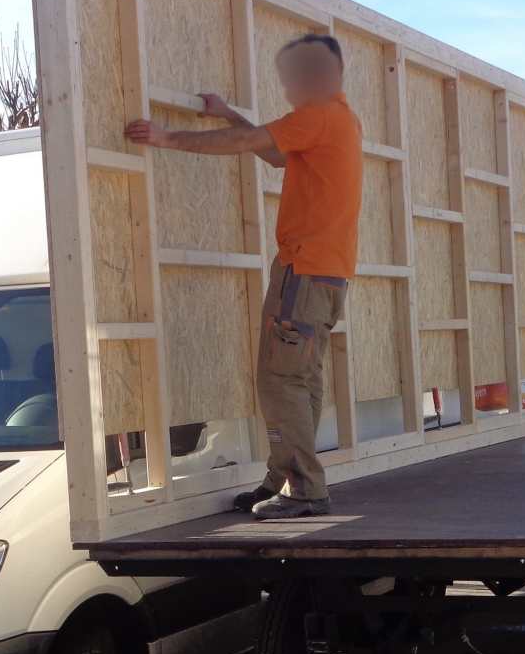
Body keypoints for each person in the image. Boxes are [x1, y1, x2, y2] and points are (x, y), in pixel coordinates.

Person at [125, 34, 360, 520]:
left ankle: (306, 491)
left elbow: (247, 144)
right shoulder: (337, 120)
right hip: (326, 276)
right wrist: (228, 112)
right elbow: (273, 152)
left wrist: (167, 138)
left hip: (304, 271)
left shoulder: (319, 115)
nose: (290, 86)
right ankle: (285, 481)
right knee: (300, 381)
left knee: (280, 381)